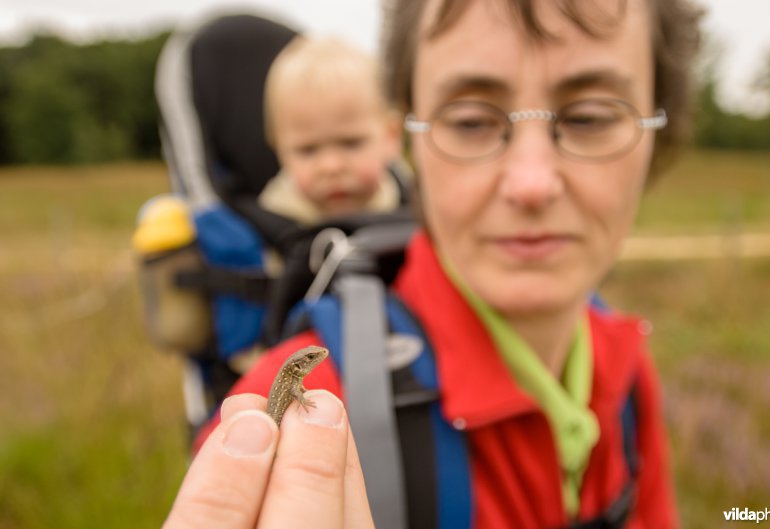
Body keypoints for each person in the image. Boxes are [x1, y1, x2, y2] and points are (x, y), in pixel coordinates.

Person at [164, 0, 703, 527]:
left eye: (590, 116)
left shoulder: (625, 366)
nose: (532, 182)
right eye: (470, 121)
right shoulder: (321, 393)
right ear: (409, 139)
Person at [257, 35, 403, 224]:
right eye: (308, 150)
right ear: (279, 151)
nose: (331, 166)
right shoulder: (268, 228)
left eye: (350, 143)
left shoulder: (418, 203)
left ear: (391, 137)